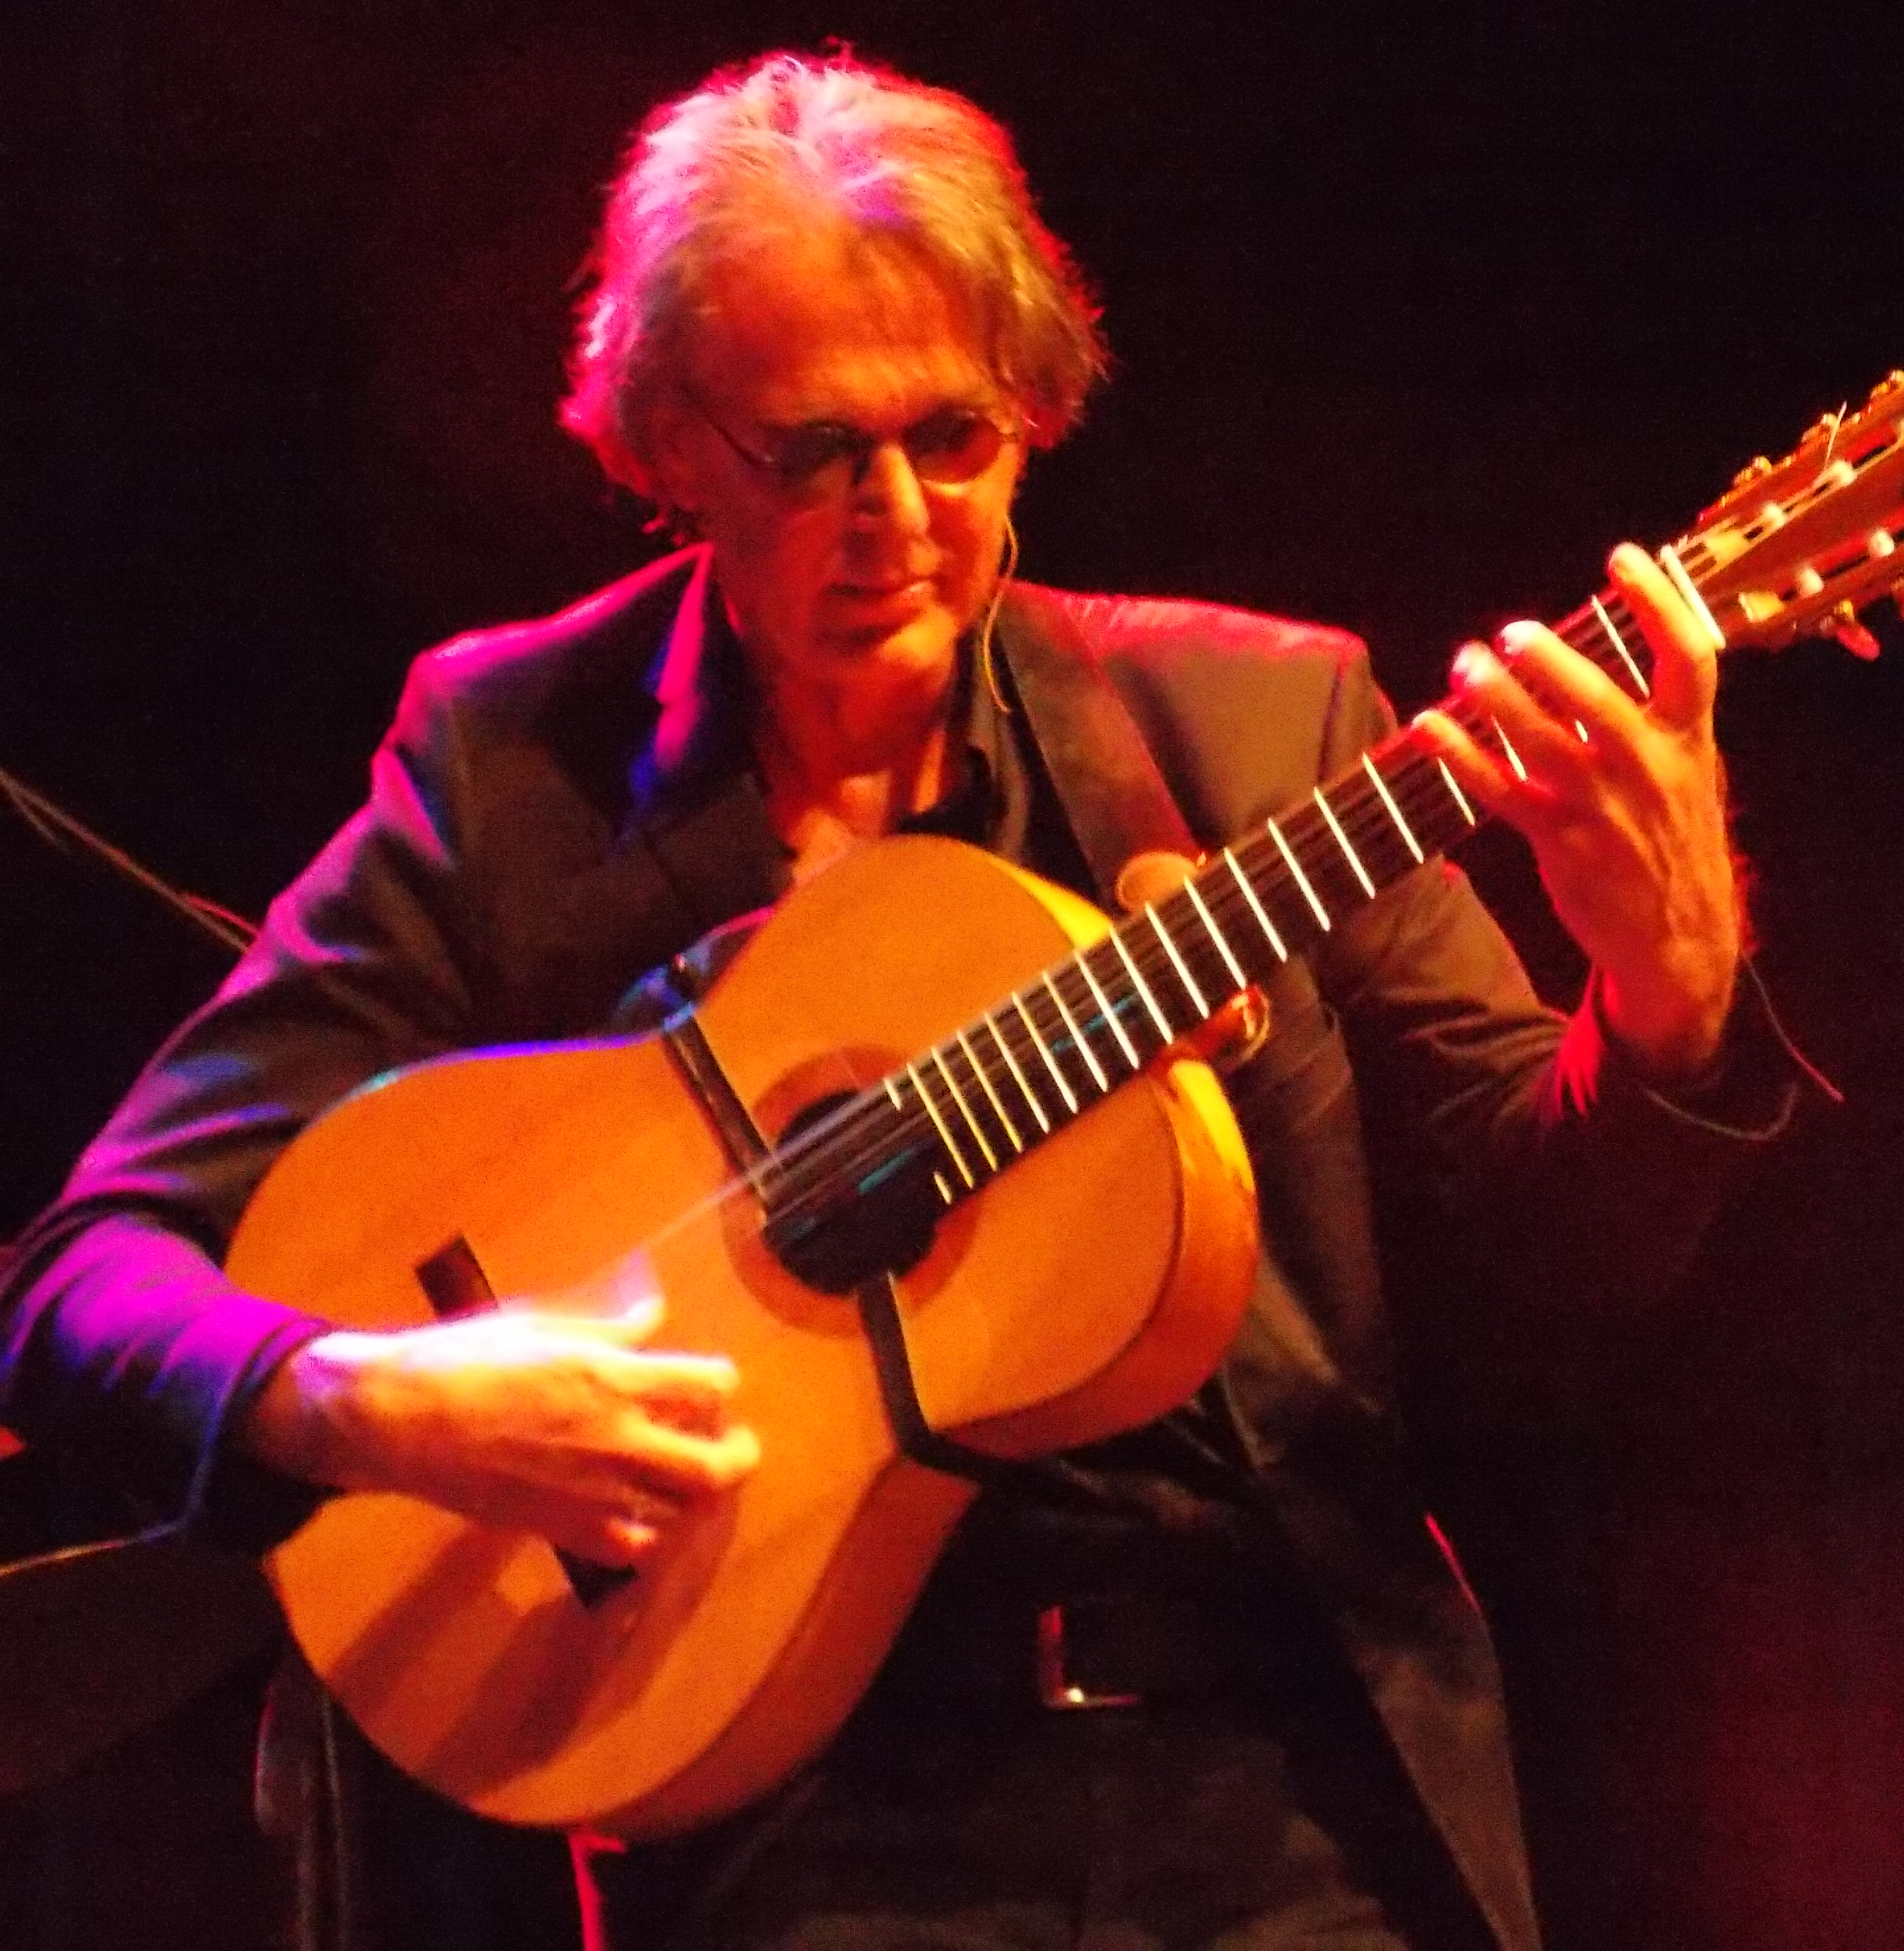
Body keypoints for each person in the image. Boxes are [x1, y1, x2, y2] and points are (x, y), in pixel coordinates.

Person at [0, 50, 1798, 1951]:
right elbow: (81, 1280)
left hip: (1285, 1777)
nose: (898, 519)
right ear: (667, 440)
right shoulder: (509, 769)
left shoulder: (1256, 728)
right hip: (785, 1818)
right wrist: (362, 1403)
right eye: (809, 451)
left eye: (954, 439)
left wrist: (1667, 989)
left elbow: (1564, 1267)